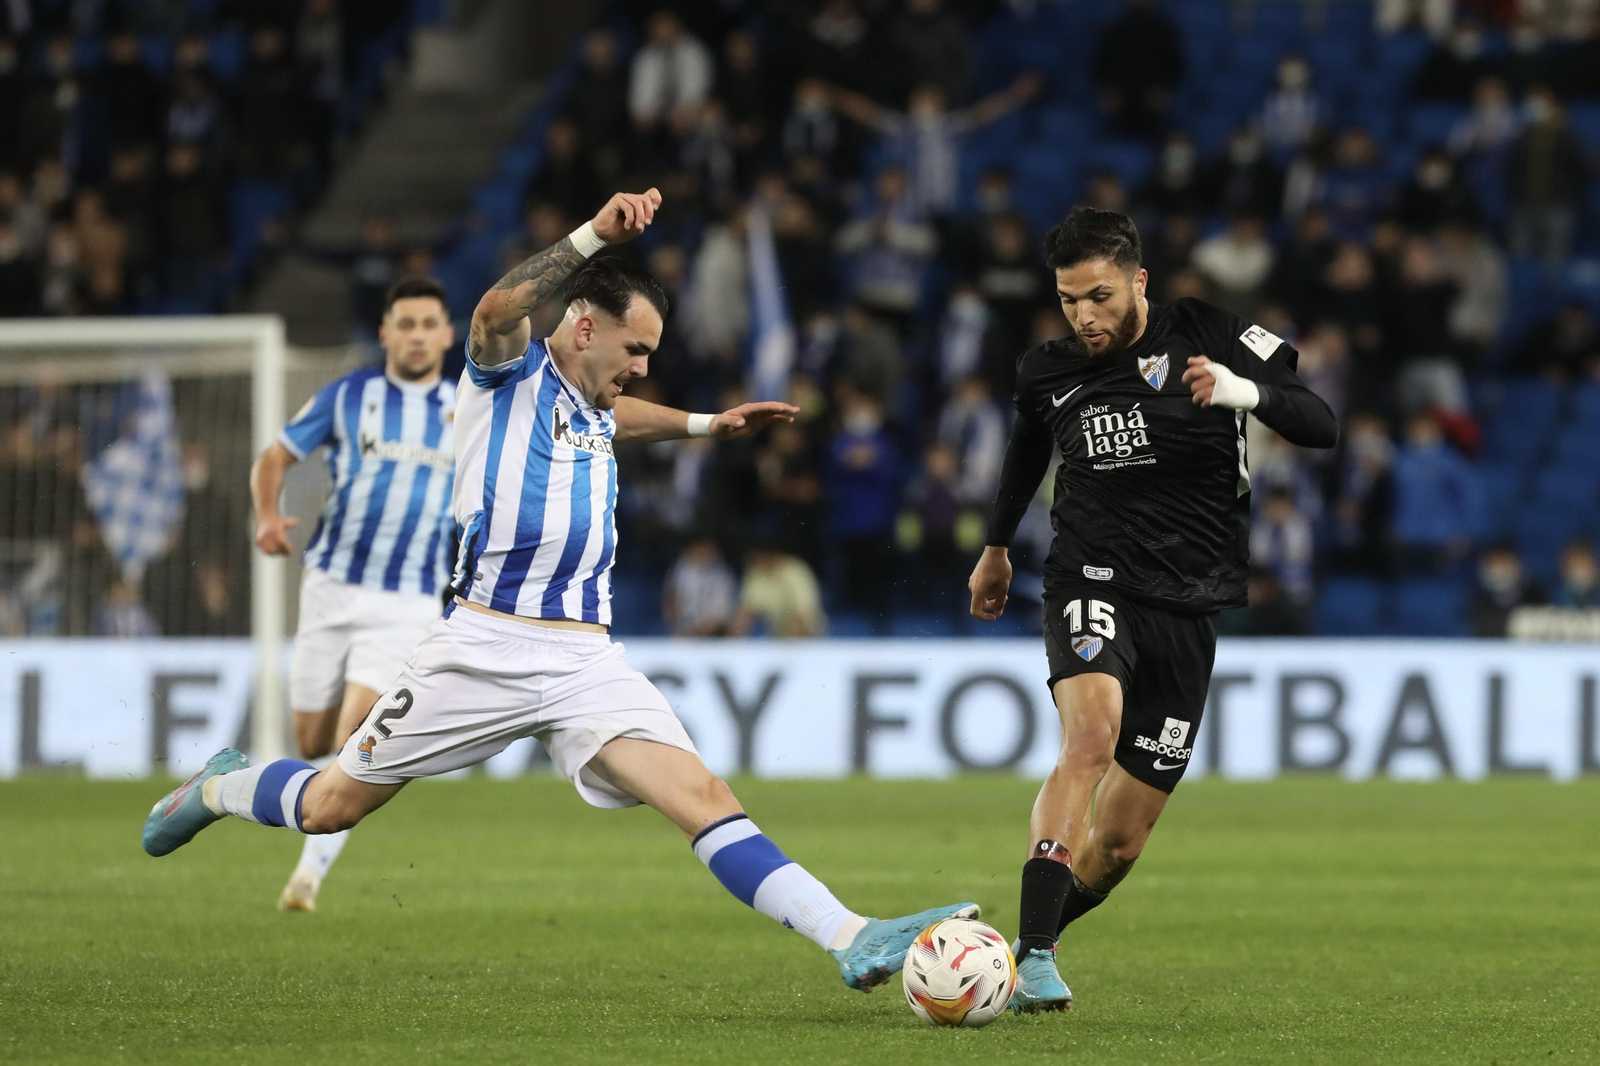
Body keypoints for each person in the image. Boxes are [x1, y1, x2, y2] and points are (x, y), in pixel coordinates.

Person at [143, 189, 974, 994]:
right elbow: (496, 309)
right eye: (635, 351)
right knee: (329, 807)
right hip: (478, 646)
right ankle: (219, 785)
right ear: (583, 327)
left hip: (584, 657)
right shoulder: (504, 377)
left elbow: (623, 419)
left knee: (701, 796)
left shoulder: (593, 403)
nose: (642, 368)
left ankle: (852, 936)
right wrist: (592, 237)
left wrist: (702, 424)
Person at [967, 207, 1337, 1013]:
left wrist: (1239, 390)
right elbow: (1028, 446)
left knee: (1120, 842)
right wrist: (996, 546)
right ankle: (1031, 957)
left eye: (1098, 296)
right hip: (1090, 576)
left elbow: (1320, 422)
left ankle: (999, 950)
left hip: (1192, 600)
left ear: (1138, 281)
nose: (1084, 317)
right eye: (1068, 301)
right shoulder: (1047, 370)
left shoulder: (1207, 330)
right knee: (1088, 740)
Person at [246, 277, 459, 912]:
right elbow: (275, 457)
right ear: (387, 333)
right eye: (406, 324)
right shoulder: (349, 396)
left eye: (429, 324)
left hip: (409, 601)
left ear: (448, 335)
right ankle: (245, 786)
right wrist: (266, 514)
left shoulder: (468, 407)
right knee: (309, 742)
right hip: (332, 588)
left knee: (354, 743)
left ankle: (307, 876)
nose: (418, 336)